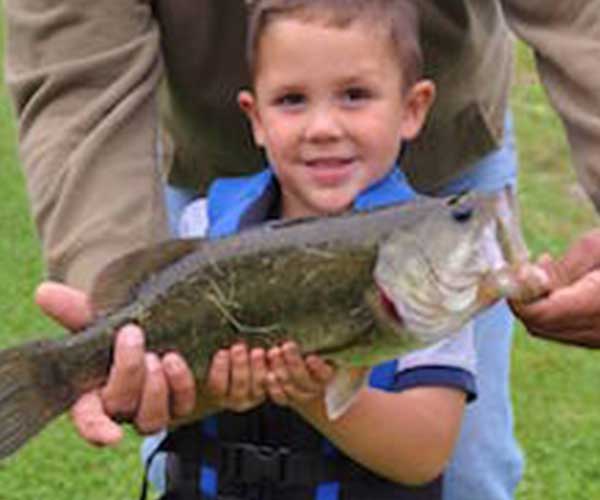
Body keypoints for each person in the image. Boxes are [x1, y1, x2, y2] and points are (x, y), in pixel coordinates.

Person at [4, 0, 600, 499]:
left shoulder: (432, 273)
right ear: (255, 115)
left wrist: (313, 398)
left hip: (436, 179)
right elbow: (75, 60)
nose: (323, 127)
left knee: (470, 474)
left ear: (415, 104)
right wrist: (121, 349)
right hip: (218, 175)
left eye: (354, 95)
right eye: (294, 101)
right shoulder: (205, 223)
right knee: (177, 449)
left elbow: (427, 452)